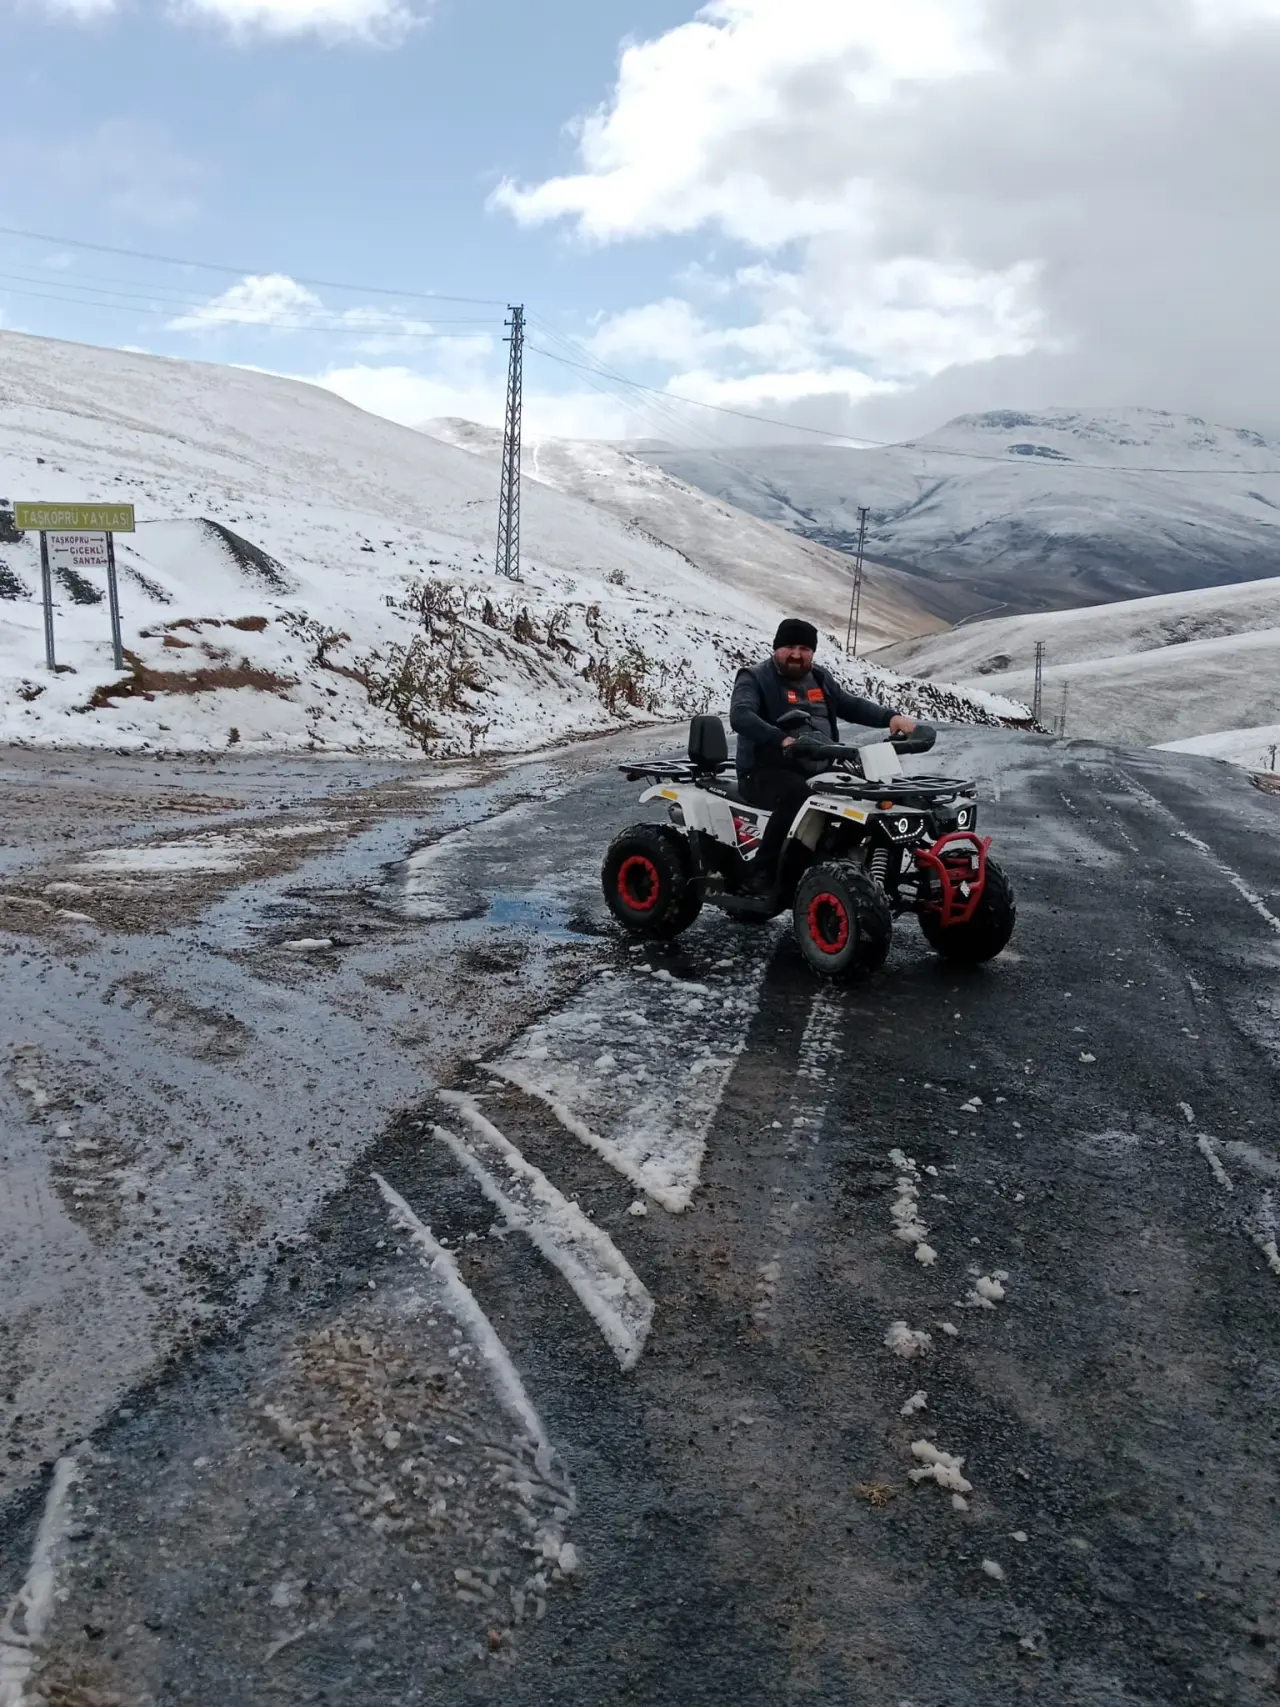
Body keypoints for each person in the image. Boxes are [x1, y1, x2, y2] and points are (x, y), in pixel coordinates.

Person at [729, 618, 917, 892]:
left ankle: (846, 865)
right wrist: (781, 739)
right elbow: (741, 715)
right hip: (763, 770)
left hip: (818, 768)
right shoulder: (755, 677)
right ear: (776, 648)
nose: (796, 654)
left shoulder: (819, 678)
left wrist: (891, 718)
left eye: (804, 648)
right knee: (798, 796)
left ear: (813, 652)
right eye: (789, 647)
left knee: (865, 796)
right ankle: (762, 874)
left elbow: (850, 704)